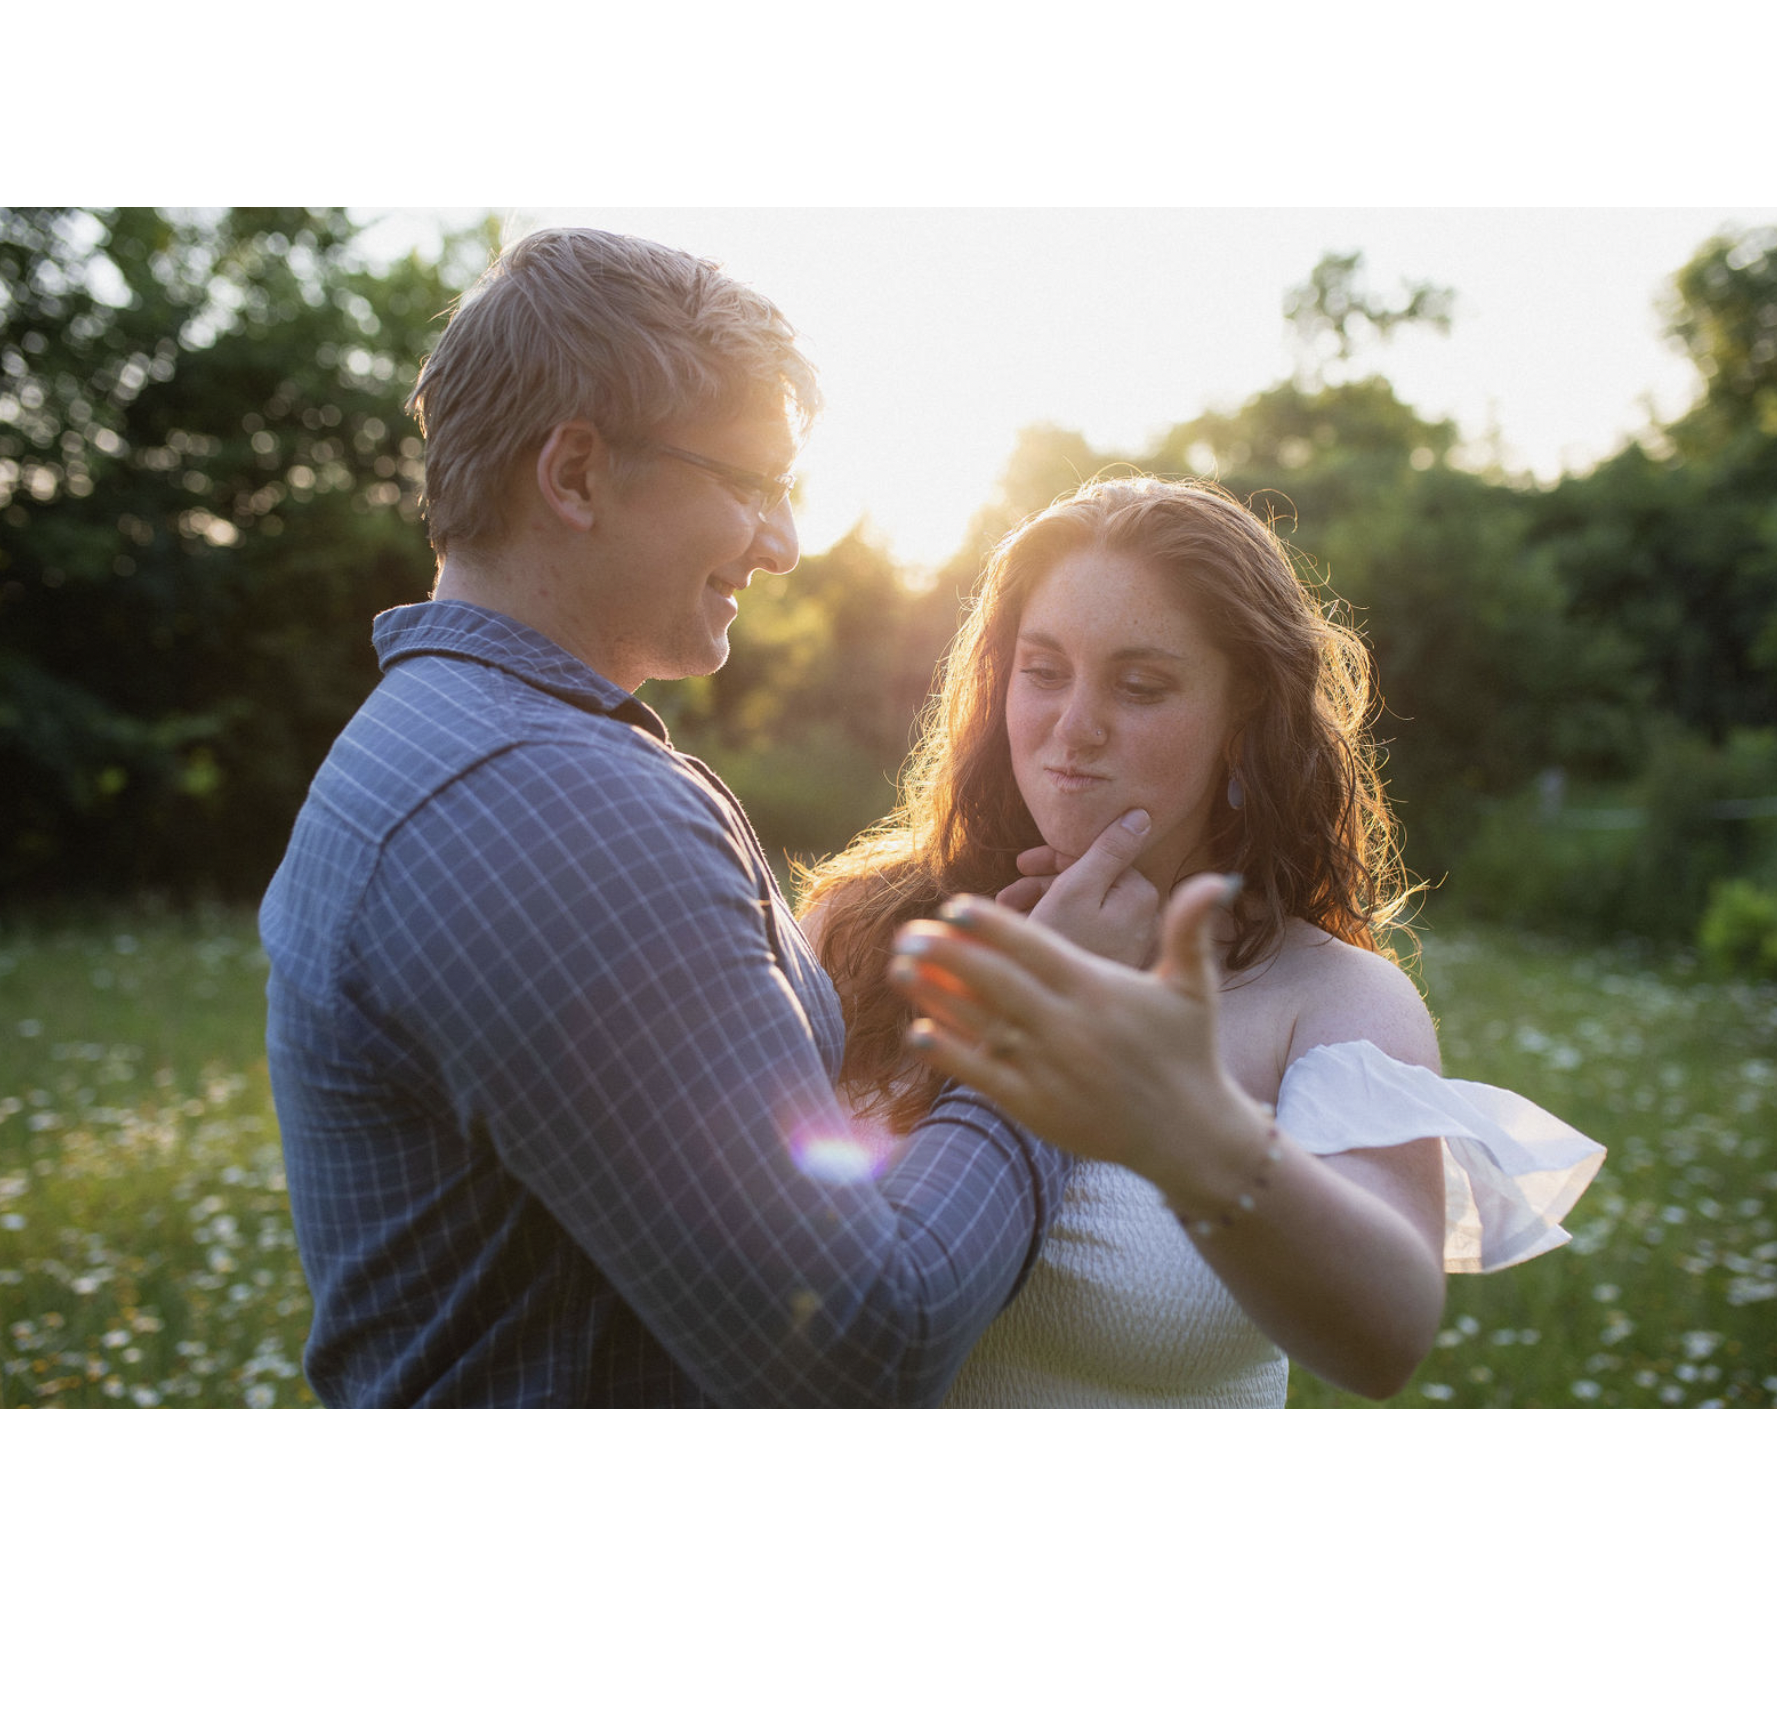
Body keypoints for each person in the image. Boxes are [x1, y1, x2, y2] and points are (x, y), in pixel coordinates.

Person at [259, 227, 1083, 1407]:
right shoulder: (550, 804)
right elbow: (856, 1344)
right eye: (750, 483)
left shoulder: (437, 737)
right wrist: (1046, 1033)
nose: (786, 544)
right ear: (578, 474)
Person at [799, 476, 1604, 1406]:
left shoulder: (1326, 1000)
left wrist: (1179, 1117)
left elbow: (1388, 1339)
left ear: (1246, 716)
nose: (1073, 729)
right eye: (1043, 670)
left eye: (1141, 687)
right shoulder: (860, 924)